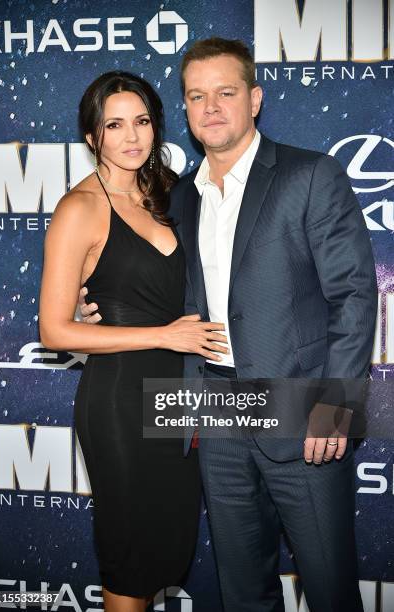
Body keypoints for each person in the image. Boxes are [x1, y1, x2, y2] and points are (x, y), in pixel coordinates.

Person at [79, 40, 378, 612]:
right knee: (242, 590)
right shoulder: (178, 198)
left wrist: (337, 403)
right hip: (214, 413)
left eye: (226, 92)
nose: (211, 107)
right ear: (186, 112)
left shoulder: (309, 175)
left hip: (301, 407)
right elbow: (140, 275)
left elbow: (355, 295)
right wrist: (96, 309)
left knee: (331, 589)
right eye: (197, 96)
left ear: (256, 99)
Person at [39, 70, 229, 612]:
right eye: (115, 124)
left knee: (167, 550)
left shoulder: (170, 191)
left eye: (142, 121)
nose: (132, 136)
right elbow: (53, 330)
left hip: (181, 397)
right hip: (120, 402)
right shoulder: (79, 209)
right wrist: (165, 335)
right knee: (131, 558)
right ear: (92, 136)